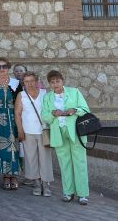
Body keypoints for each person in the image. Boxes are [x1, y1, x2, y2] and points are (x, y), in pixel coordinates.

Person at [41, 70, 91, 205]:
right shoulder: (47, 97)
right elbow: (44, 116)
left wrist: (75, 110)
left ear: (62, 81)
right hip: (58, 134)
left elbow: (86, 109)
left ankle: (82, 194)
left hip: (76, 132)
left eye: (58, 81)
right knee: (64, 164)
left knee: (80, 163)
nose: (55, 84)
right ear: (49, 84)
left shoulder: (74, 92)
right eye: (52, 82)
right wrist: (53, 113)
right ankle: (68, 192)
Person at [15, 72, 54, 197]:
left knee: (45, 158)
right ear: (23, 83)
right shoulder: (21, 95)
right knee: (31, 158)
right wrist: (20, 130)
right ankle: (36, 183)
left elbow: (51, 111)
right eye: (26, 81)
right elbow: (17, 114)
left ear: (37, 81)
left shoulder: (45, 93)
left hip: (43, 131)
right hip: (28, 132)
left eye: (32, 81)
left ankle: (46, 184)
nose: (29, 84)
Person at [0, 57, 20, 190]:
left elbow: (21, 102)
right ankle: (6, 176)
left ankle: (14, 175)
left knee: (14, 146)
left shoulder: (16, 83)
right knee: (1, 148)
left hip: (14, 118)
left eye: (4, 66)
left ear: (8, 68)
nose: (1, 69)